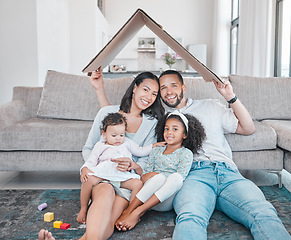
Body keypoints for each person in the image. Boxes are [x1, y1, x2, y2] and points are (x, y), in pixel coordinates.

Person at [93, 69, 291, 239]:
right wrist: (99, 89)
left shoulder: (210, 105)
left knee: (263, 211)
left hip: (228, 173)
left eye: (173, 86)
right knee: (190, 216)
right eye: (163, 88)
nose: (169, 91)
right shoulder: (161, 119)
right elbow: (118, 119)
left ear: (183, 87)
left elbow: (248, 128)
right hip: (192, 175)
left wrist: (230, 96)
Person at [80, 70, 164, 240]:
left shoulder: (152, 123)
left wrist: (133, 166)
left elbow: (145, 162)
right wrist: (99, 169)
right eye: (146, 89)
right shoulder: (107, 113)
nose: (149, 96)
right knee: (106, 191)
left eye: (154, 94)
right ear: (135, 88)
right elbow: (89, 149)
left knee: (110, 222)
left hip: (126, 182)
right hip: (103, 177)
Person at [115, 111, 206, 231]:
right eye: (167, 128)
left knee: (176, 177)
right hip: (148, 192)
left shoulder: (186, 153)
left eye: (175, 129)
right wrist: (153, 175)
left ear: (184, 134)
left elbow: (180, 181)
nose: (169, 132)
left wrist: (160, 177)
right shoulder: (156, 150)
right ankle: (129, 210)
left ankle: (139, 211)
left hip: (165, 199)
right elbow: (143, 178)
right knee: (158, 178)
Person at [77, 112, 164, 224]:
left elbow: (140, 151)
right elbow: (91, 161)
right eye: (114, 136)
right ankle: (83, 208)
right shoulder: (100, 145)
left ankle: (131, 209)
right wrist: (84, 169)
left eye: (121, 135)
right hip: (103, 176)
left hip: (122, 177)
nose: (118, 138)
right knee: (87, 180)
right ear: (104, 134)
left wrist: (153, 146)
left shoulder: (127, 143)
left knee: (137, 184)